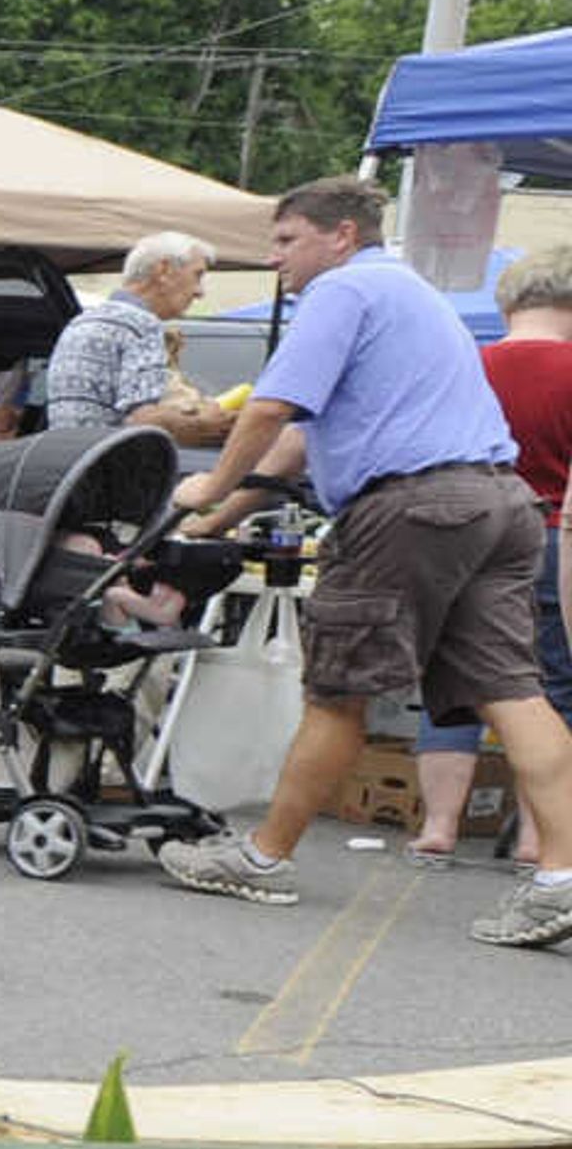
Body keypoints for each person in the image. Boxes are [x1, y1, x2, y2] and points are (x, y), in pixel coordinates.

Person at [157, 178, 572, 948]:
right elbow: (301, 441)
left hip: (410, 509)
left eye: (286, 241)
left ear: (340, 234)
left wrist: (207, 484)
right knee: (514, 690)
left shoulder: (342, 294)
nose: (274, 258)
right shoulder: (412, 297)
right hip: (500, 503)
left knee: (338, 692)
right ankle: (561, 877)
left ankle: (263, 856)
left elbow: (272, 407)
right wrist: (220, 517)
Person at [405, 245, 572, 860]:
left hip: (465, 529)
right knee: (549, 686)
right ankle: (539, 836)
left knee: (454, 677)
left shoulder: (466, 366)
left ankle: (439, 826)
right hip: (554, 535)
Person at [44, 234, 219, 438]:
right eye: (197, 276)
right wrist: (203, 423)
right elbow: (142, 419)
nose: (200, 292)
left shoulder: (81, 322)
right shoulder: (141, 325)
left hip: (65, 460)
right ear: (164, 270)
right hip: (108, 462)